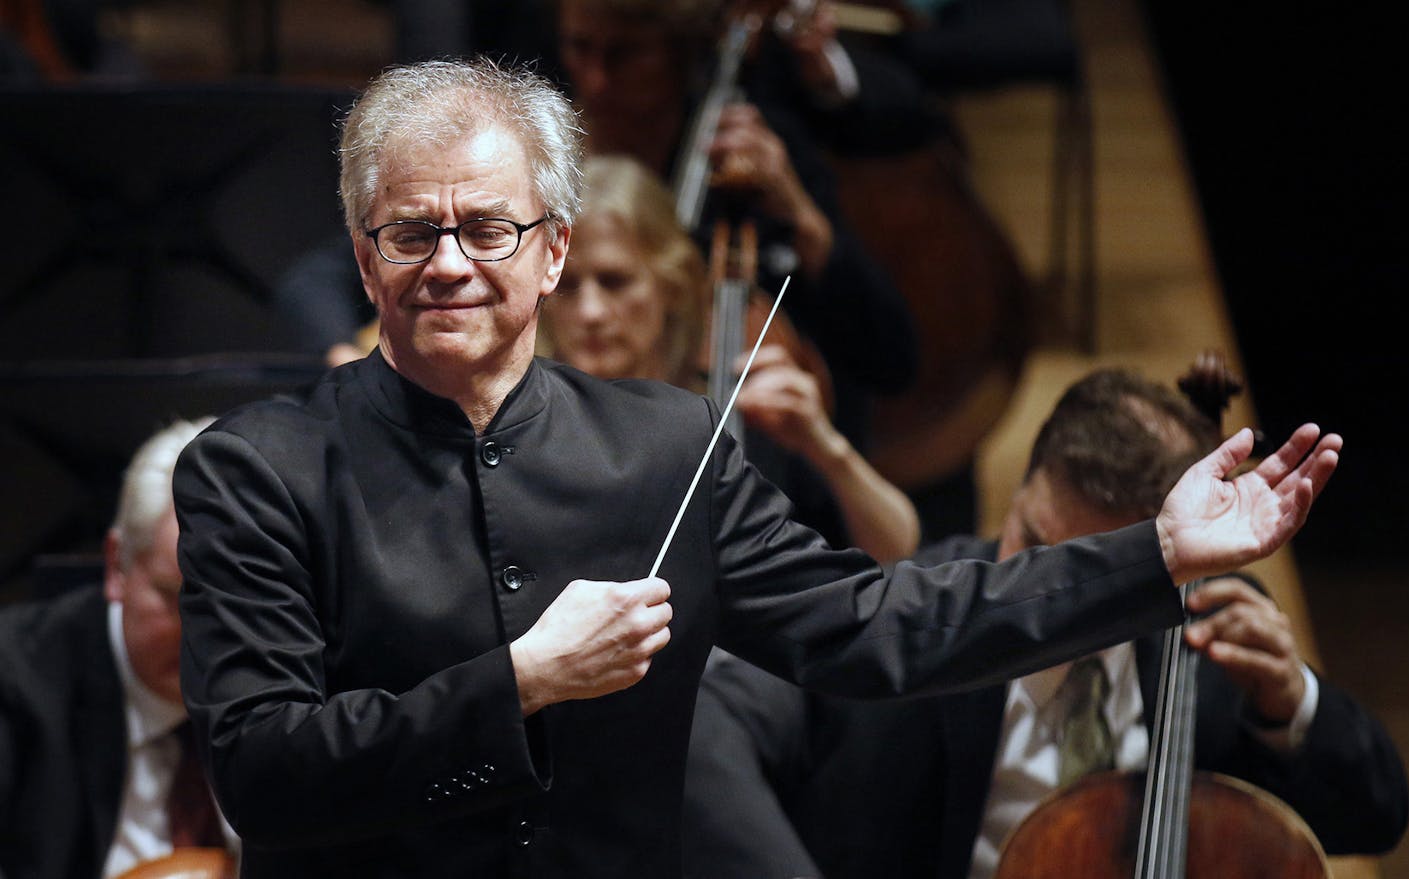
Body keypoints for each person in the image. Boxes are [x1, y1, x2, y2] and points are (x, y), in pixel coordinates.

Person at [171, 57, 1340, 878]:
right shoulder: (255, 474)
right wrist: (518, 681)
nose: (447, 264)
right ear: (361, 254)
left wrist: (1152, 554)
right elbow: (264, 773)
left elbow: (888, 625)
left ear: (553, 250)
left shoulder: (665, 447)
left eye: (487, 228)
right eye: (407, 232)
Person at [681, 363, 1408, 879]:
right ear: (1021, 486)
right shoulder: (913, 607)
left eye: (1111, 571)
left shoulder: (1212, 630)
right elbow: (710, 728)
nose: (1060, 592)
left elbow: (1375, 817)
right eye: (1035, 542)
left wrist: (1291, 703)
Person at [555, 0, 921, 454]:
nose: (596, 79)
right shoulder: (547, 156)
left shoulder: (751, 157)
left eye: (625, 55)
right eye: (579, 48)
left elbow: (889, 358)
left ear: (680, 55)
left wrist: (800, 214)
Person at [539, 153, 919, 562]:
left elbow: (898, 549)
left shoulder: (741, 415)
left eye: (616, 282)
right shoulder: (523, 427)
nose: (591, 312)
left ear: (673, 283)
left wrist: (825, 447)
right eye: (569, 285)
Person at [0, 416, 238, 879]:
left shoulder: (327, 672)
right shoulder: (12, 681)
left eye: (245, 606)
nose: (214, 639)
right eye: (180, 599)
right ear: (117, 566)